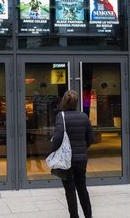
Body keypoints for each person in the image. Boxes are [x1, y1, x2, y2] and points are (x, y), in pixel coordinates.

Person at [50, 90, 94, 218]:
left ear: (64, 101)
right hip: (81, 160)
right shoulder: (84, 116)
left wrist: (53, 152)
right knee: (82, 188)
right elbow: (91, 138)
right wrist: (82, 148)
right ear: (76, 102)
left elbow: (57, 137)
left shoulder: (61, 116)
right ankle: (88, 216)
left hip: (66, 160)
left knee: (70, 190)